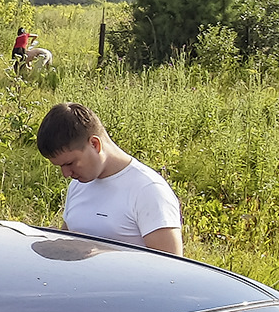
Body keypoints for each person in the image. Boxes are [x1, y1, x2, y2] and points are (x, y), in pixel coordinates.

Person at [36, 103, 183, 255]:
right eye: (60, 166)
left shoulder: (148, 190)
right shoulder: (77, 186)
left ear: (95, 144)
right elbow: (70, 248)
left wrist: (99, 252)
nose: (65, 174)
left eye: (70, 163)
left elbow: (171, 269)